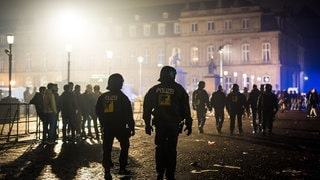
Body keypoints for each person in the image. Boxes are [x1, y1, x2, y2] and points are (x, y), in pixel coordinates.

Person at [143, 66, 192, 180]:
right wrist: (188, 123)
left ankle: (160, 172)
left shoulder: (154, 90)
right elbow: (186, 108)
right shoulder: (179, 89)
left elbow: (147, 107)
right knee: (171, 149)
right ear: (173, 76)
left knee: (159, 148)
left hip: (160, 124)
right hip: (173, 124)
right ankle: (170, 173)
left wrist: (147, 123)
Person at [96, 73, 135, 180]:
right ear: (119, 83)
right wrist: (131, 127)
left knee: (107, 148)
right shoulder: (123, 98)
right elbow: (128, 114)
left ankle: (107, 170)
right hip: (120, 127)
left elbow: (98, 111)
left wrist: (103, 122)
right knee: (125, 146)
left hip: (107, 127)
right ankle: (122, 167)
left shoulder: (103, 97)